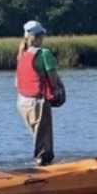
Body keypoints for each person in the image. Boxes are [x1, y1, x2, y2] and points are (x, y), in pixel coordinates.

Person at [15, 20, 64, 166]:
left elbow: (16, 82)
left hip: (22, 102)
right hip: (38, 102)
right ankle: (44, 171)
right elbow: (53, 80)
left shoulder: (21, 54)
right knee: (44, 145)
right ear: (37, 37)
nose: (43, 38)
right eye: (41, 35)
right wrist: (56, 91)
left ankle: (40, 165)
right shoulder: (44, 53)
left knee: (38, 137)